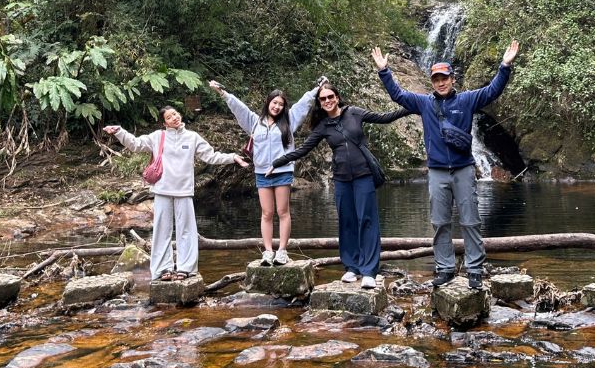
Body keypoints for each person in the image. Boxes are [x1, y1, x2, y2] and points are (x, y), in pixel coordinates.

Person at [373, 41, 519, 289]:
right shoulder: (424, 103)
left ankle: (474, 269)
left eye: (444, 78)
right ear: (432, 82)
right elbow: (398, 95)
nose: (440, 82)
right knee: (440, 223)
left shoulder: (467, 100)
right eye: (436, 79)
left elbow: (493, 91)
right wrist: (384, 71)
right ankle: (445, 268)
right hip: (437, 172)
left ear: (452, 79)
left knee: (471, 221)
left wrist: (505, 65)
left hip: (463, 170)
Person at [268, 82, 411, 289]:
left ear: (337, 97)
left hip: (364, 176)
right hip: (342, 179)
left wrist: (413, 106)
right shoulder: (323, 127)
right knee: (347, 222)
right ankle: (352, 268)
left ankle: (369, 271)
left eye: (330, 97)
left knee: (367, 221)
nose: (327, 101)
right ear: (319, 102)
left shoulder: (354, 113)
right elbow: (302, 150)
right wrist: (277, 163)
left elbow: (385, 117)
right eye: (323, 98)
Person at [104, 107, 250, 281]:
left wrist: (232, 157)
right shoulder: (157, 137)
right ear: (164, 122)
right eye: (169, 116)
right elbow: (135, 144)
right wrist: (119, 131)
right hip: (162, 190)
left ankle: (185, 268)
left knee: (186, 231)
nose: (174, 117)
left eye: (175, 114)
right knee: (161, 231)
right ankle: (162, 269)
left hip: (184, 191)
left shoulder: (192, 137)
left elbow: (211, 156)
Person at [208, 77, 323, 266]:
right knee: (266, 213)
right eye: (274, 102)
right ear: (268, 103)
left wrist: (317, 88)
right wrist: (223, 93)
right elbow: (239, 108)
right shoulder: (254, 122)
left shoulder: (290, 120)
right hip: (261, 172)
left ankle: (282, 251)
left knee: (282, 211)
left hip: (283, 170)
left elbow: (304, 103)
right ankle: (268, 251)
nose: (277, 107)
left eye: (281, 104)